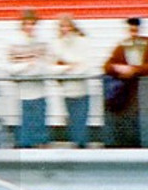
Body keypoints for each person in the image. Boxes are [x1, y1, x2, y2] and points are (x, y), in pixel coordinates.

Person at [6, 9, 52, 148]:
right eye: (26, 24)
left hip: (40, 90)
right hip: (24, 92)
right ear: (22, 25)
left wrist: (30, 68)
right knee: (27, 123)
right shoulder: (14, 42)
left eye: (32, 24)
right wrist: (28, 65)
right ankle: (26, 149)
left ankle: (40, 148)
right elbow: (11, 68)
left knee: (40, 122)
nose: (29, 27)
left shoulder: (42, 42)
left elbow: (45, 65)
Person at [103, 17, 148, 147]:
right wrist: (117, 68)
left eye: (135, 30)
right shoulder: (122, 46)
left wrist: (134, 70)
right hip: (127, 91)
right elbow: (107, 65)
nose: (133, 33)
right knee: (128, 118)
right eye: (130, 30)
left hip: (143, 89)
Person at [52, 15, 94, 147]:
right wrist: (69, 66)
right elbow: (52, 69)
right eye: (62, 26)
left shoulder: (82, 41)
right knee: (71, 120)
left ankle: (82, 146)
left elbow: (85, 67)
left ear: (72, 27)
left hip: (82, 89)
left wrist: (66, 67)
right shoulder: (57, 44)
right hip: (67, 90)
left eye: (67, 26)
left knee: (81, 120)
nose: (65, 29)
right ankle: (76, 146)